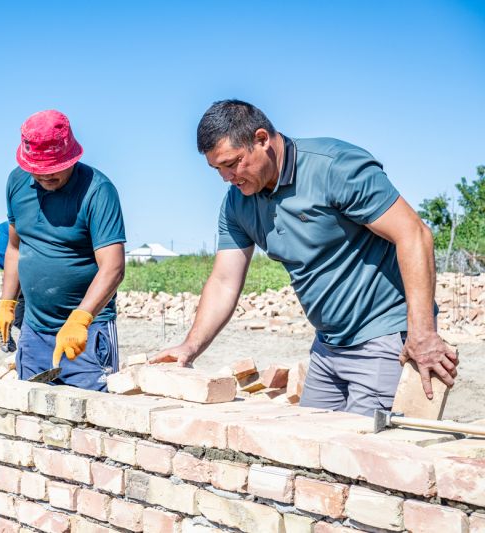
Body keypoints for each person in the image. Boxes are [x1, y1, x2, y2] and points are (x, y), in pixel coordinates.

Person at [152, 99, 458, 416]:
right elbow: (224, 281)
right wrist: (190, 347)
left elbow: (414, 234)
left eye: (233, 163)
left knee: (366, 453)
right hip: (328, 346)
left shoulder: (334, 167)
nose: (227, 177)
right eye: (218, 169)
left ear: (261, 139)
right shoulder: (237, 204)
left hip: (384, 338)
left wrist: (423, 334)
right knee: (311, 446)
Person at [0, 109, 126, 391]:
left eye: (54, 169)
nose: (46, 177)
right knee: (30, 420)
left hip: (87, 333)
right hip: (35, 331)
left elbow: (113, 267)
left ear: (71, 156)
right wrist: (7, 302)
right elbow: (15, 248)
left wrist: (81, 319)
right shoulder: (16, 183)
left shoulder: (98, 190)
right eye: (38, 171)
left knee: (92, 422)